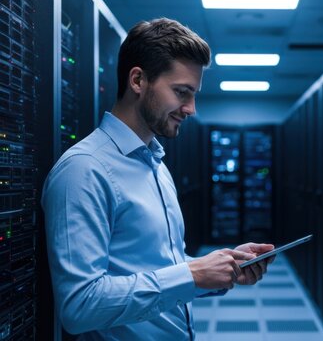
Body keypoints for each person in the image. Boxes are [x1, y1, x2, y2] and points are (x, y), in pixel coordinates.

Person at [41, 18, 274, 340]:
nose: (191, 109)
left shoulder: (155, 163)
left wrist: (218, 269)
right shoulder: (84, 170)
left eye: (194, 95)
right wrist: (192, 274)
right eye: (182, 92)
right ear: (138, 80)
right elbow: (80, 305)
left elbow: (162, 266)